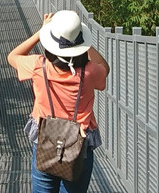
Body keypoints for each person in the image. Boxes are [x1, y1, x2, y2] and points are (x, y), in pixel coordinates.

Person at [8, 10, 110, 193]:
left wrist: (41, 32)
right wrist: (84, 44)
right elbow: (105, 68)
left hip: (46, 141)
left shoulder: (38, 66)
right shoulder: (91, 71)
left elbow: (12, 56)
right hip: (79, 145)